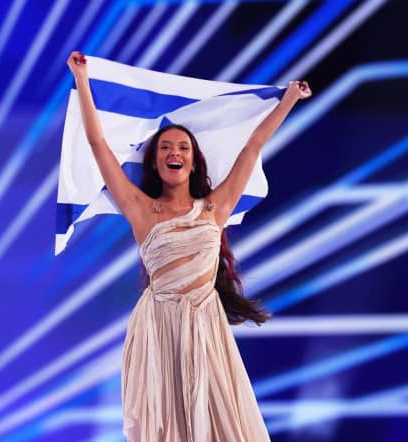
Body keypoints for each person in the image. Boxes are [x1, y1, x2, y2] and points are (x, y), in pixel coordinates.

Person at [66, 50, 311, 442]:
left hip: (205, 324)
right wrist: (82, 80)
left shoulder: (215, 207)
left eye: (182, 148)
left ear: (194, 161)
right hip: (159, 328)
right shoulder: (142, 210)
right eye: (165, 148)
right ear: (155, 162)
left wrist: (289, 100)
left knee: (218, 421)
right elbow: (98, 146)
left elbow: (252, 147)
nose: (173, 153)